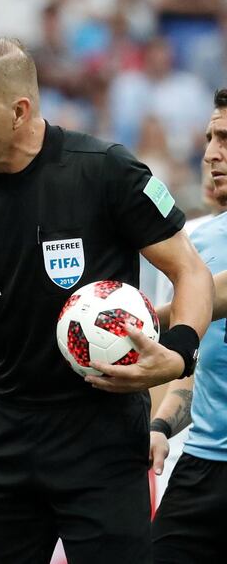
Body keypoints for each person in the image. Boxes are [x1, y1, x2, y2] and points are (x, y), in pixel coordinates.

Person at [0, 37, 213, 564]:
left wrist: (178, 351)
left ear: (19, 111)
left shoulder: (105, 169)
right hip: (4, 437)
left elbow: (189, 271)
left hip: (102, 438)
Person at [150, 88, 227, 563]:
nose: (210, 153)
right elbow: (187, 364)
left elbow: (210, 299)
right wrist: (160, 425)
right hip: (202, 467)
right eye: (208, 138)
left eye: (225, 138)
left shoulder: (196, 272)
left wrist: (117, 314)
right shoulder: (196, 242)